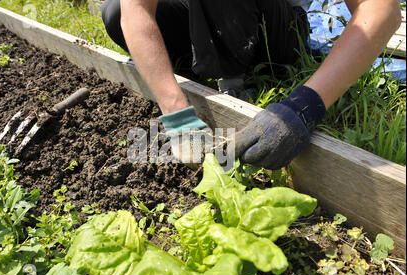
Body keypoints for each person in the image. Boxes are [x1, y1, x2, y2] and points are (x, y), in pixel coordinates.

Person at [100, 0, 402, 170]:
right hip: (204, 14)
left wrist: (306, 104)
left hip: (277, 26)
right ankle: (211, 61)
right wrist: (176, 111)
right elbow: (134, 11)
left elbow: (381, 10)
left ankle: (240, 84)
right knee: (113, 11)